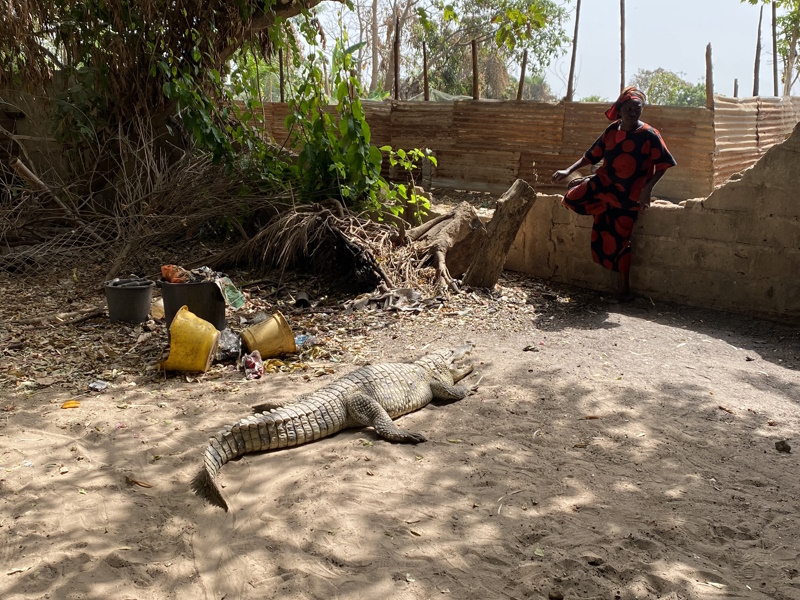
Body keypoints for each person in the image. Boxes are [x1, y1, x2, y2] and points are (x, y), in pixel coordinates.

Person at [552, 87, 676, 302]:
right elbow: (591, 156)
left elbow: (664, 164)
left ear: (642, 109)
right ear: (620, 110)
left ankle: (623, 292)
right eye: (628, 108)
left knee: (621, 242)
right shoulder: (612, 131)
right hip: (605, 185)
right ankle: (601, 203)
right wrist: (568, 171)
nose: (633, 112)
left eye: (637, 108)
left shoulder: (649, 134)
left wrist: (647, 191)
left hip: (630, 196)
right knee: (572, 197)